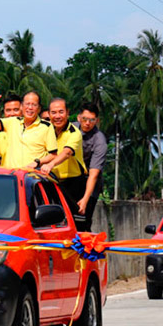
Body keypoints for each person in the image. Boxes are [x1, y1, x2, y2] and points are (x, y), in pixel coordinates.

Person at [0, 83, 57, 170]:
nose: (30, 107)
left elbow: (53, 155)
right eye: (27, 104)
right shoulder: (12, 122)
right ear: (21, 107)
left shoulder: (47, 126)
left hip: (33, 176)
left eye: (34, 105)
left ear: (39, 108)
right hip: (12, 176)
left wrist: (37, 162)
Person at [46, 98, 88, 210]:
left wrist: (51, 164)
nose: (57, 116)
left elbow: (67, 152)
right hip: (50, 182)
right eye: (53, 113)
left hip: (73, 185)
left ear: (67, 113)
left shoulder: (74, 133)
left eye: (61, 112)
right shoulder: (45, 131)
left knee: (74, 222)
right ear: (49, 114)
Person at [73, 103, 106, 231]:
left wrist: (85, 200)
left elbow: (94, 175)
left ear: (97, 121)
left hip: (89, 182)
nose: (87, 123)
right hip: (69, 179)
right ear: (78, 118)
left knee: (83, 221)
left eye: (92, 120)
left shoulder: (99, 140)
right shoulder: (70, 129)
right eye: (85, 119)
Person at [0, 93, 21, 165]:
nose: (12, 114)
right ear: (4, 111)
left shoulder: (31, 131)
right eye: (8, 110)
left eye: (16, 110)